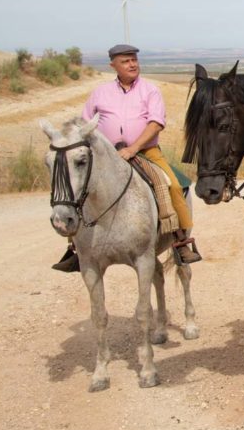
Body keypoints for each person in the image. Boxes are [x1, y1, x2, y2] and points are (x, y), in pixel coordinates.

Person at [52, 43, 201, 272]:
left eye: (134, 59)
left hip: (145, 152)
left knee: (171, 184)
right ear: (113, 65)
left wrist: (134, 148)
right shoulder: (100, 93)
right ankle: (75, 247)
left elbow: (156, 123)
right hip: (106, 155)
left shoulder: (150, 90)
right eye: (125, 61)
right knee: (78, 189)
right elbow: (83, 125)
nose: (132, 64)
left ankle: (180, 241)